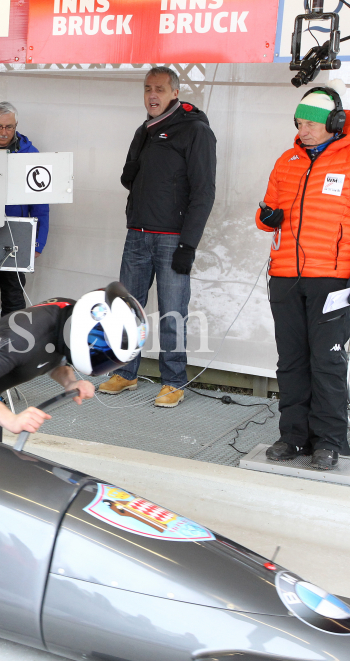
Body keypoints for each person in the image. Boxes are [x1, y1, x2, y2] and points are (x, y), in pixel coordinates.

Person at [257, 80, 350, 470]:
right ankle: (294, 437)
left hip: (333, 280)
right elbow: (266, 215)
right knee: (291, 362)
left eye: (310, 125)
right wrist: (268, 217)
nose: (302, 131)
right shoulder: (287, 160)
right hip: (286, 276)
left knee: (328, 362)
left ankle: (329, 441)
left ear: (333, 122)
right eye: (299, 123)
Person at [98, 66, 217, 408]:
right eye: (148, 88)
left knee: (171, 313)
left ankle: (174, 381)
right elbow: (132, 179)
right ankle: (126, 372)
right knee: (126, 309)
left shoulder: (195, 131)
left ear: (175, 93)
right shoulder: (144, 130)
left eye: (160, 89)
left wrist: (188, 245)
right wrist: (130, 176)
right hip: (137, 234)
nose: (153, 95)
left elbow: (204, 192)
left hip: (172, 239)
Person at [0, 283, 145, 441]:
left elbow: (52, 355)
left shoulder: (67, 316)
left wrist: (70, 382)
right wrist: (11, 420)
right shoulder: (23, 336)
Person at [0, 102, 50, 329]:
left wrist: (38, 242)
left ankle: (12, 352)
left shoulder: (30, 155)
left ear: (16, 126)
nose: (4, 132)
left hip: (16, 235)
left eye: (9, 127)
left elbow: (41, 203)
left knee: (13, 296)